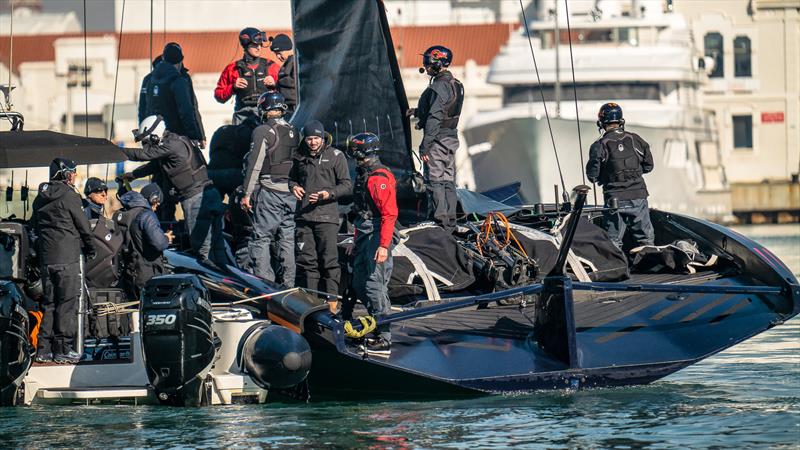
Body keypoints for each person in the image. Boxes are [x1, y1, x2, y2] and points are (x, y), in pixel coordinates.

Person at [123, 115, 229, 268]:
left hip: (197, 199)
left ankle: (214, 289)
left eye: (146, 141)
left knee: (202, 252)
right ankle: (228, 284)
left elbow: (144, 156)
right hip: (210, 194)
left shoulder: (171, 145)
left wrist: (116, 151)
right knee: (218, 248)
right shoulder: (176, 142)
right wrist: (132, 175)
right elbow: (154, 165)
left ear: (154, 136)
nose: (146, 146)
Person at [31, 158, 97, 363]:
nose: (76, 175)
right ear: (65, 174)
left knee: (50, 303)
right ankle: (63, 349)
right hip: (67, 257)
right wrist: (91, 247)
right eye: (73, 172)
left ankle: (43, 350)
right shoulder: (70, 196)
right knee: (67, 304)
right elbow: (84, 226)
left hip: (47, 258)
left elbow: (33, 227)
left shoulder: (39, 198)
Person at [342, 133, 398, 357]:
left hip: (377, 234)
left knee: (375, 285)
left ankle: (384, 337)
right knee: (358, 281)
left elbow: (389, 214)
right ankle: (375, 322)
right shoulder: (363, 174)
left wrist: (383, 246)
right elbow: (360, 213)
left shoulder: (378, 178)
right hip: (365, 233)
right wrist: (355, 242)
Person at [240, 92, 299, 285]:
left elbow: (254, 164)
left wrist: (246, 194)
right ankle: (288, 285)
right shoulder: (293, 130)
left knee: (261, 238)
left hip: (270, 192)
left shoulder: (262, 130)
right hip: (290, 194)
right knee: (287, 240)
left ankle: (265, 286)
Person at [288, 120, 352, 296]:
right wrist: (293, 187)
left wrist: (328, 194)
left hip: (327, 218)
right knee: (306, 262)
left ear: (323, 137)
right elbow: (291, 179)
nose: (313, 142)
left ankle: (332, 300)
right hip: (303, 218)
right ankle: (311, 301)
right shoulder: (298, 156)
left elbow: (347, 185)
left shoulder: (336, 156)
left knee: (329, 261)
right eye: (309, 139)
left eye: (316, 138)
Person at [586, 102, 655, 250]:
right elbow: (649, 166)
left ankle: (618, 269)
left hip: (614, 199)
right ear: (621, 121)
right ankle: (649, 264)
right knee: (645, 239)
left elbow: (592, 176)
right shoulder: (635, 139)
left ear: (601, 123)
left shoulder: (599, 145)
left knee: (613, 241)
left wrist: (605, 177)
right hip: (638, 196)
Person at [410, 45, 464, 232]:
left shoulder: (438, 86)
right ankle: (450, 222)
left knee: (434, 181)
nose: (426, 66)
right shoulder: (455, 84)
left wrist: (425, 146)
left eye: (429, 63)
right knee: (448, 181)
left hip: (437, 140)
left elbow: (435, 117)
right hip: (451, 139)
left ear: (439, 64)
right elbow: (446, 110)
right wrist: (417, 112)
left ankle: (439, 222)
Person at [115, 183, 173, 300]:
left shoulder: (122, 214)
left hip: (129, 273)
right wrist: (167, 237)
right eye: (157, 202)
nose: (157, 206)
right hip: (148, 274)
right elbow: (159, 243)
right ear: (153, 198)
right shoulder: (146, 215)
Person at [145, 42, 206, 149]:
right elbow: (187, 110)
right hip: (177, 138)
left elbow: (147, 109)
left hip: (156, 137)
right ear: (180, 61)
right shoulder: (179, 81)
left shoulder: (151, 80)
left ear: (164, 58)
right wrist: (195, 136)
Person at [214, 27, 279, 125]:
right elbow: (218, 96)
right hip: (242, 117)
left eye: (260, 44)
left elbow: (287, 92)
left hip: (267, 116)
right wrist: (233, 87)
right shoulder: (233, 68)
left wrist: (275, 85)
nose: (258, 48)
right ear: (245, 46)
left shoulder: (271, 66)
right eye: (254, 45)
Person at [208, 114, 260, 201]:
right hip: (234, 174)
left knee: (213, 208)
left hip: (212, 173)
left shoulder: (221, 130)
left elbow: (212, 151)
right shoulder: (251, 133)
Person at [269, 33, 296, 115]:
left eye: (280, 53)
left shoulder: (296, 63)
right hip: (286, 108)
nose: (277, 56)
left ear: (288, 49)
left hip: (295, 108)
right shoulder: (285, 66)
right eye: (276, 54)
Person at [138, 55, 162, 124]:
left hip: (150, 123)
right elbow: (142, 105)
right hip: (153, 123)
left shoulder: (147, 79)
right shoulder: (148, 79)